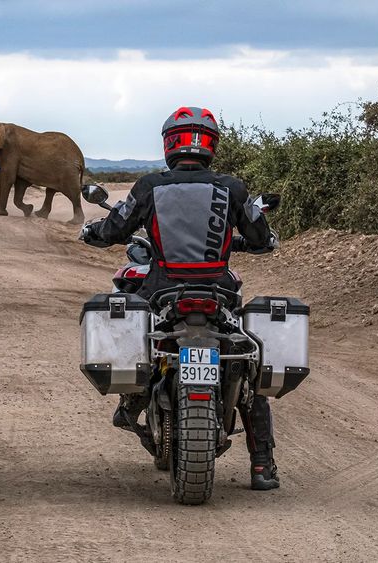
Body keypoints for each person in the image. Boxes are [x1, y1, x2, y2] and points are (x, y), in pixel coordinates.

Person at [79, 106, 280, 490]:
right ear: (211, 145)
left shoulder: (149, 186)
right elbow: (259, 237)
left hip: (162, 290)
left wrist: (93, 232)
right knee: (246, 365)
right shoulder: (232, 188)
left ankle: (131, 404)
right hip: (219, 292)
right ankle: (262, 465)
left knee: (139, 335)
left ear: (169, 144)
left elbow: (115, 228)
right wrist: (260, 239)